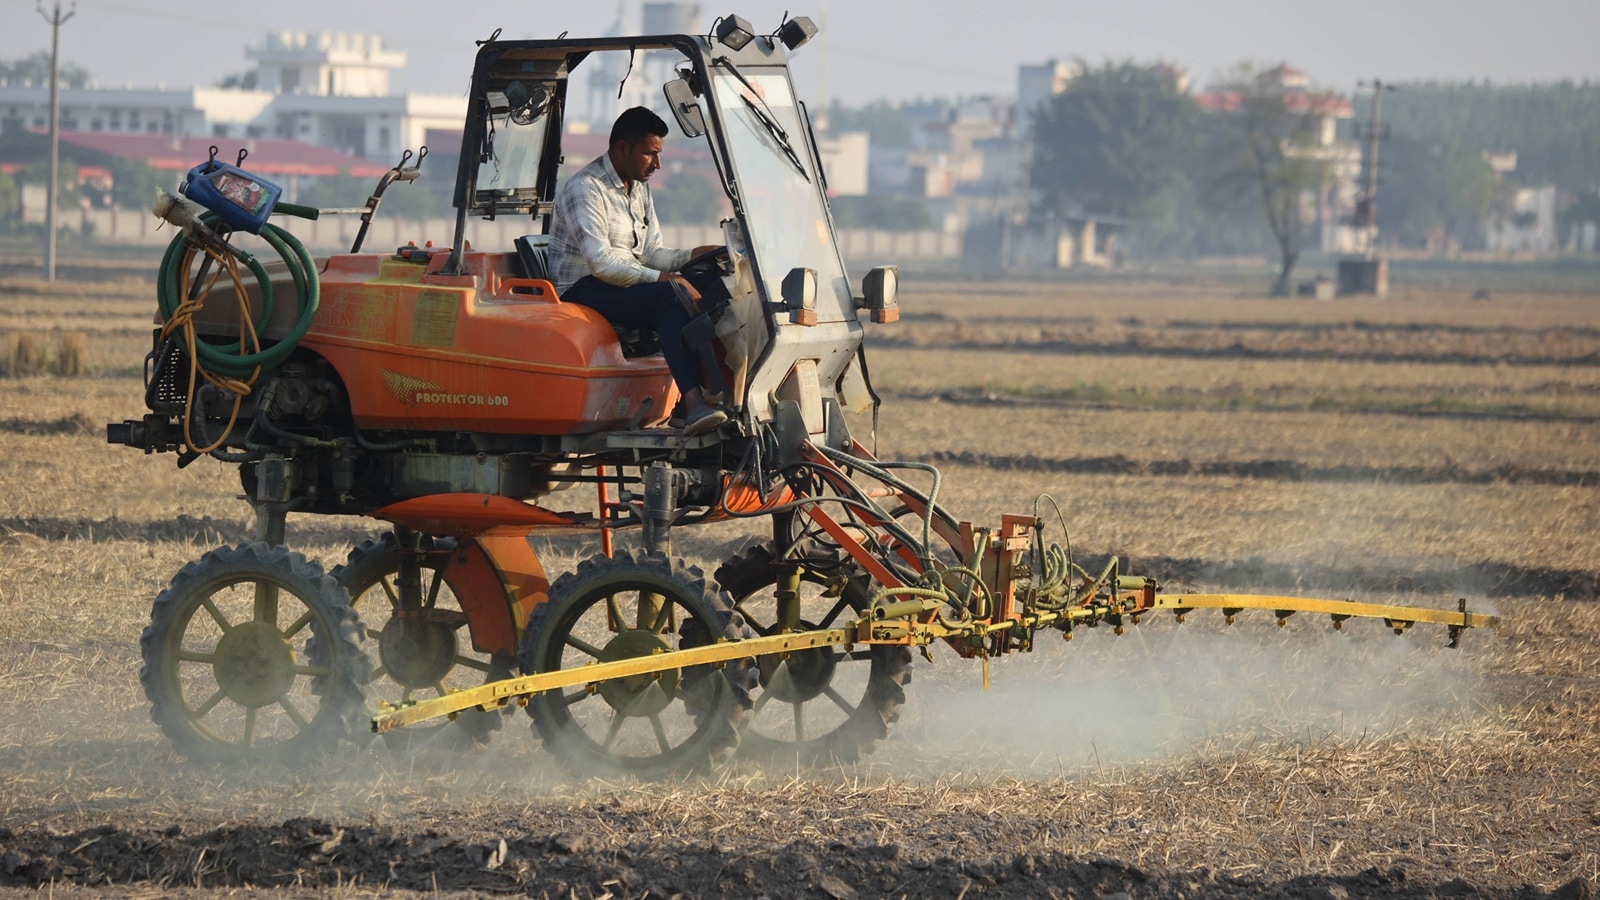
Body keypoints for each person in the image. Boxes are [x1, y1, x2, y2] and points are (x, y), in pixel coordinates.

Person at [549, 106, 728, 436]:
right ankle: (692, 403)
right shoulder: (585, 189)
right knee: (671, 296)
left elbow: (649, 253)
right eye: (650, 154)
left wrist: (693, 256)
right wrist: (669, 279)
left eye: (658, 155)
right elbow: (601, 263)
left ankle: (713, 395)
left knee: (714, 283)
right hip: (583, 287)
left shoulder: (639, 187)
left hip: (622, 281)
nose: (657, 165)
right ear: (622, 148)